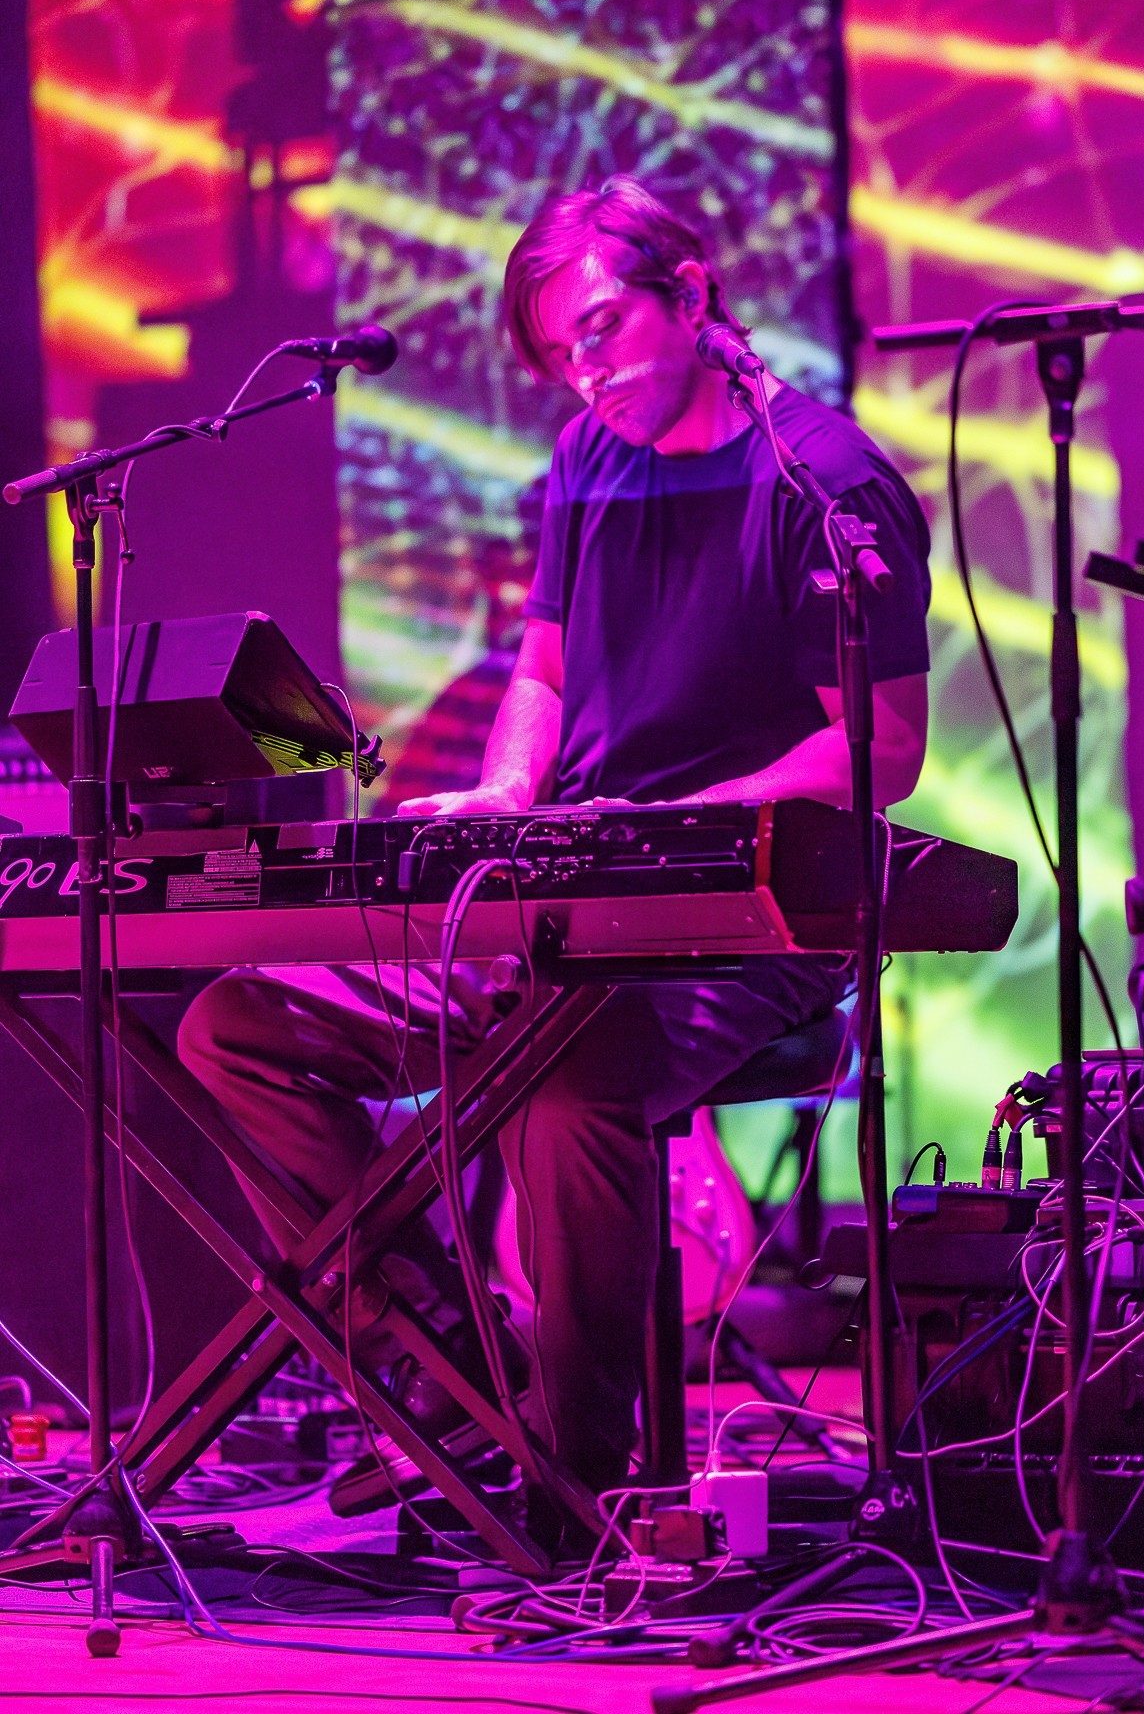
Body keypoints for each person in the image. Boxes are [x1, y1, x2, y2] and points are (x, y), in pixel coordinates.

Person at [177, 176, 930, 1541]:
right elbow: (544, 667)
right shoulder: (590, 458)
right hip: (564, 892)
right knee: (236, 1028)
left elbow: (878, 750)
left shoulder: (825, 483)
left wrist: (679, 821)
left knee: (566, 1085)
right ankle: (460, 1384)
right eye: (560, 357)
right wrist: (512, 790)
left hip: (744, 913)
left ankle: (573, 1478)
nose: (586, 376)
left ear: (690, 296)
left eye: (600, 333)